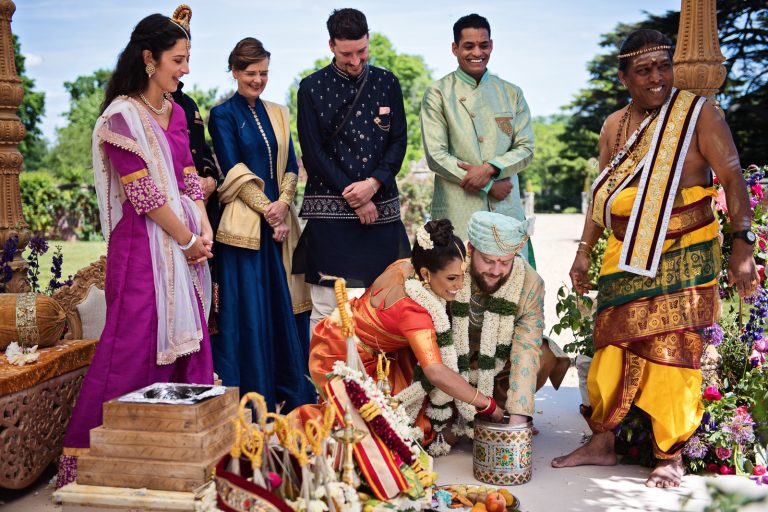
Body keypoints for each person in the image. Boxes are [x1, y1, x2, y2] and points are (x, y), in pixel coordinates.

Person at [551, 29, 758, 488]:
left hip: (685, 250)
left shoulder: (699, 116)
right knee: (610, 348)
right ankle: (603, 442)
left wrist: (742, 242)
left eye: (664, 66)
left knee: (673, 351)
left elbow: (732, 176)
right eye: (644, 70)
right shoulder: (613, 125)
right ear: (624, 77)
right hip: (623, 253)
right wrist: (584, 251)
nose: (657, 77)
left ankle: (670, 453)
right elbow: (601, 195)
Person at [57, 6, 214, 486]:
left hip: (184, 242)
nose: (185, 70)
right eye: (178, 61)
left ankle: (176, 456)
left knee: (190, 347)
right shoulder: (122, 117)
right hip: (142, 250)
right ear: (150, 58)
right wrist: (187, 239)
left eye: (188, 60)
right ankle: (93, 458)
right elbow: (144, 196)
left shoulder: (176, 110)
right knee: (132, 348)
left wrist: (202, 229)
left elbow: (189, 177)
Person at [301, 220, 506, 450]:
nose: (460, 285)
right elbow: (436, 372)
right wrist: (487, 404)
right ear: (426, 273)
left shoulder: (406, 266)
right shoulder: (414, 310)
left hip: (341, 332)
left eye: (462, 275)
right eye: (451, 278)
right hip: (344, 356)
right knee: (377, 436)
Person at [404, 211, 568, 455]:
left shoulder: (529, 283)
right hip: (446, 363)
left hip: (496, 370)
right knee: (435, 435)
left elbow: (526, 348)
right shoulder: (452, 265)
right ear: (471, 250)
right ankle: (453, 414)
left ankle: (497, 412)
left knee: (544, 354)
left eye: (505, 262)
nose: (495, 270)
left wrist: (518, 422)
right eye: (489, 261)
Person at [208, 38, 314, 411]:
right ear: (235, 72)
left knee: (284, 308)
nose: (258, 80)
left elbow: (289, 166)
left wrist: (284, 205)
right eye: (250, 73)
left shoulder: (279, 112)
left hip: (281, 228)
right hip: (244, 233)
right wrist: (269, 210)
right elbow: (233, 169)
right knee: (250, 314)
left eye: (264, 73)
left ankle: (290, 396)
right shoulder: (221, 115)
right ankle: (253, 404)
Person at [293, 8, 410, 330]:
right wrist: (355, 196)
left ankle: (379, 381)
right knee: (326, 311)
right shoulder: (311, 87)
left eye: (362, 51)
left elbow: (398, 141)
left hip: (381, 206)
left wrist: (373, 184)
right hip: (330, 212)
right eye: (347, 54)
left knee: (389, 304)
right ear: (331, 45)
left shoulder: (387, 82)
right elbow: (313, 152)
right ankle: (325, 381)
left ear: (368, 40)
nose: (356, 60)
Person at [420, 14, 534, 264]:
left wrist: (491, 168)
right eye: (468, 46)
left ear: (491, 45)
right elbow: (436, 156)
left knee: (509, 286)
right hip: (457, 210)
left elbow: (526, 149)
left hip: (505, 208)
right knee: (457, 288)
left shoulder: (511, 93)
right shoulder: (438, 93)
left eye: (483, 45)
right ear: (455, 48)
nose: (477, 52)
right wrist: (488, 185)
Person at [171, 81, 221, 326]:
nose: (186, 69)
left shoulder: (188, 105)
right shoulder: (132, 107)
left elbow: (201, 155)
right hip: (168, 220)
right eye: (179, 59)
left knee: (199, 306)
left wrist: (210, 181)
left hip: (200, 214)